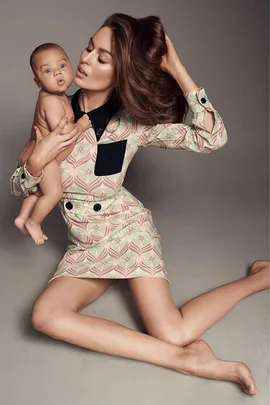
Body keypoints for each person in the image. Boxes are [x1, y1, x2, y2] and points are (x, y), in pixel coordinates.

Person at [10, 13, 269, 395]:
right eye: (88, 47)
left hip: (125, 231)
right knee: (45, 316)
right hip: (85, 242)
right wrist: (34, 161)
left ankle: (261, 279)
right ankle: (184, 358)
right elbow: (21, 185)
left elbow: (211, 138)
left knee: (173, 331)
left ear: (122, 72)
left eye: (102, 58)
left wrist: (176, 67)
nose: (84, 60)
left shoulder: (133, 122)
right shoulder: (52, 109)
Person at [14, 43, 90, 244]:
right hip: (45, 158)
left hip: (45, 155)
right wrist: (81, 126)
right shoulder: (51, 101)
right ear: (37, 81)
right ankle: (33, 222)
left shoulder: (60, 96)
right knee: (54, 192)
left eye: (62, 66)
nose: (58, 73)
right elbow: (63, 133)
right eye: (48, 71)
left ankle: (22, 217)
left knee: (40, 191)